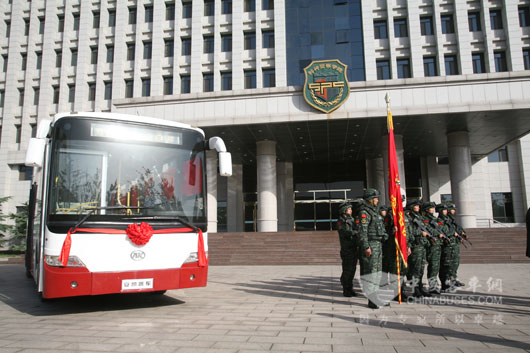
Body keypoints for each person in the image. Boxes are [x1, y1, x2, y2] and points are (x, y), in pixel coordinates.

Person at [357, 188, 388, 309]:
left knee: (378, 272)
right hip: (371, 244)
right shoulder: (364, 213)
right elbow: (362, 232)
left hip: (378, 244)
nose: (377, 200)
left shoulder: (375, 212)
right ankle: (372, 299)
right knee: (371, 272)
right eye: (375, 198)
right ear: (370, 200)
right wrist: (366, 246)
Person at [406, 200, 431, 298]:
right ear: (412, 206)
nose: (418, 207)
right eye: (416, 206)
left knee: (420, 268)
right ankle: (415, 289)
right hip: (415, 245)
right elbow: (409, 231)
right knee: (415, 269)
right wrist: (420, 233)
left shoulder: (418, 217)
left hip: (422, 245)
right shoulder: (410, 217)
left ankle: (420, 287)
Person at [336, 202, 359, 297]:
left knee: (352, 269)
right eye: (349, 209)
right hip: (347, 249)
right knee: (347, 270)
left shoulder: (352, 219)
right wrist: (355, 232)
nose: (351, 210)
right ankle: (346, 288)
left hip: (354, 247)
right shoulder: (341, 220)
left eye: (351, 209)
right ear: (344, 210)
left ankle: (350, 288)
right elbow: (344, 232)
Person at [423, 201, 444, 295]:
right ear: (427, 209)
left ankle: (435, 285)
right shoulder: (425, 219)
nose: (433, 209)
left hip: (437, 244)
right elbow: (427, 229)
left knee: (436, 266)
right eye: (431, 208)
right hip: (431, 245)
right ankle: (432, 286)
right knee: (433, 266)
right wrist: (437, 234)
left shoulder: (434, 219)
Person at [436, 203, 456, 291]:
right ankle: (444, 284)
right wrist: (451, 233)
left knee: (449, 265)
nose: (445, 211)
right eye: (443, 210)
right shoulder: (439, 221)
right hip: (444, 245)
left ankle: (448, 283)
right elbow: (444, 232)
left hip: (450, 245)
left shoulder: (448, 220)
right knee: (444, 265)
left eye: (445, 210)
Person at [447, 203, 465, 287]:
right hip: (450, 244)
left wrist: (461, 234)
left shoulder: (452, 220)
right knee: (451, 263)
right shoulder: (446, 220)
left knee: (456, 262)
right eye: (452, 209)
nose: (454, 211)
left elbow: (458, 229)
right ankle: (450, 279)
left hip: (455, 243)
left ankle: (454, 278)